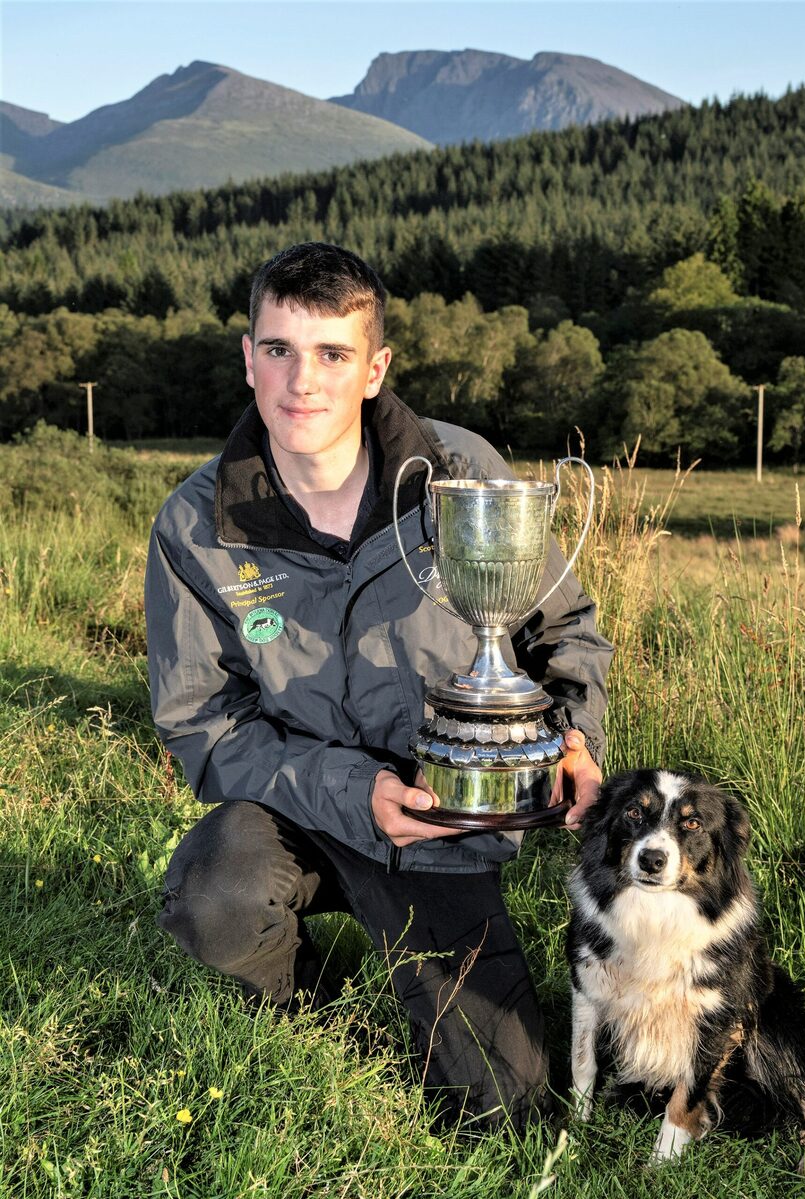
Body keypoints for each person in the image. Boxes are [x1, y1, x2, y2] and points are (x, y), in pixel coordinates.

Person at [145, 241, 613, 1133]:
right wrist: (355, 791)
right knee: (216, 896)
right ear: (247, 358)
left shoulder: (461, 473)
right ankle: (309, 998)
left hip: (445, 825)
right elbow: (202, 724)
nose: (301, 381)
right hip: (298, 811)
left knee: (508, 1110)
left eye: (332, 353)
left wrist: (574, 741)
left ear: (375, 369)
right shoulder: (195, 524)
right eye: (277, 349)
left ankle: (432, 975)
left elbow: (565, 634)